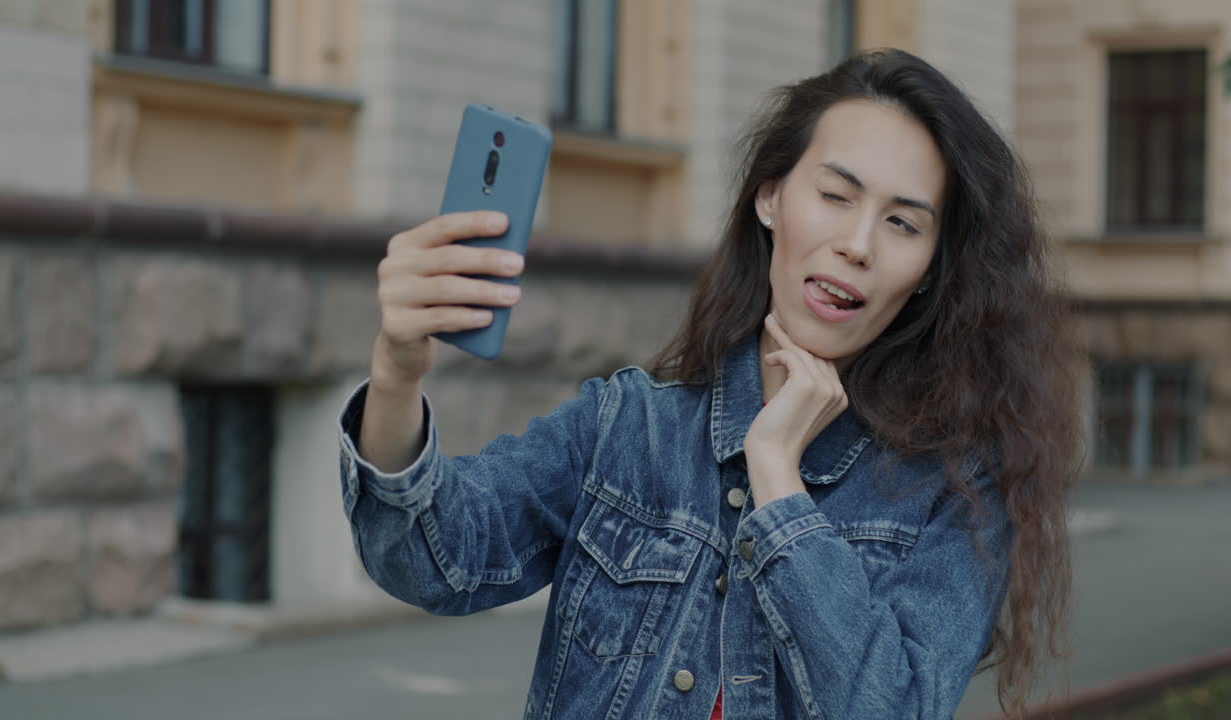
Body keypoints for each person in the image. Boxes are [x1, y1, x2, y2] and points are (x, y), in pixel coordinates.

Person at [338, 49, 1081, 719]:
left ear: (929, 274)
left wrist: (779, 482)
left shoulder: (954, 488)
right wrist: (396, 376)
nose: (856, 245)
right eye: (836, 195)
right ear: (770, 199)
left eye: (903, 224)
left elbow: (895, 708)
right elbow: (435, 562)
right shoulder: (628, 426)